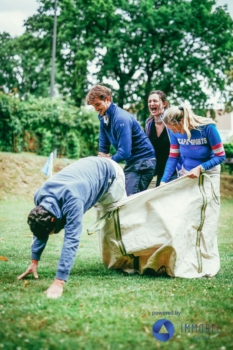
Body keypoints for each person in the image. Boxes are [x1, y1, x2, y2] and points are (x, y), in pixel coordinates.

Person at [17, 156, 126, 299]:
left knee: (118, 219)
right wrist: (34, 260)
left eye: (50, 233)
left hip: (113, 175)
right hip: (91, 169)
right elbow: (40, 228)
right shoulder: (40, 197)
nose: (50, 235)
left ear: (52, 219)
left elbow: (71, 240)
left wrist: (59, 281)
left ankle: (129, 260)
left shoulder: (73, 201)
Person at [86, 84, 156, 195]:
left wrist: (108, 161)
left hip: (143, 162)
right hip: (132, 163)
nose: (96, 109)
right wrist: (101, 160)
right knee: (119, 196)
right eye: (94, 106)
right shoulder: (103, 117)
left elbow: (124, 153)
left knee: (128, 200)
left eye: (98, 104)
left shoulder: (120, 118)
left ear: (107, 99)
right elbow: (103, 147)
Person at [160, 104, 226, 184]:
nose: (173, 132)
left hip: (209, 173)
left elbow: (220, 156)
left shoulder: (208, 128)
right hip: (187, 172)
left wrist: (200, 168)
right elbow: (173, 157)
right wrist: (163, 181)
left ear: (182, 121)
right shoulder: (173, 132)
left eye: (174, 129)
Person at [145, 90, 179, 186]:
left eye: (155, 101)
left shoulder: (172, 122)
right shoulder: (148, 123)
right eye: (149, 101)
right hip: (158, 170)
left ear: (164, 104)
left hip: (173, 170)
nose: (152, 103)